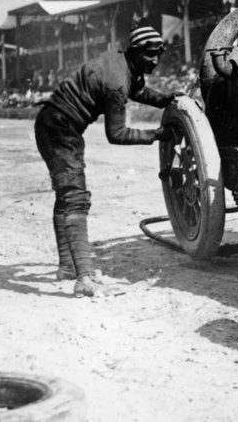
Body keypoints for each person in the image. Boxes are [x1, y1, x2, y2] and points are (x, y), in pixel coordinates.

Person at [34, 26, 180, 297]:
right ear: (134, 52)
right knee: (75, 198)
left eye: (158, 54)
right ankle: (84, 278)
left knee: (66, 197)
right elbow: (117, 134)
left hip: (54, 123)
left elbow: (137, 90)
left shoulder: (122, 63)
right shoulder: (117, 81)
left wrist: (164, 100)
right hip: (59, 128)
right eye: (149, 54)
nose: (155, 61)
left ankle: (67, 266)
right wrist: (157, 134)